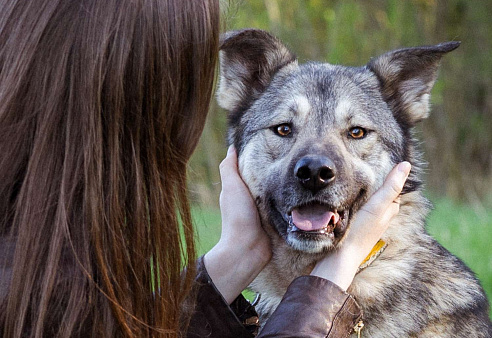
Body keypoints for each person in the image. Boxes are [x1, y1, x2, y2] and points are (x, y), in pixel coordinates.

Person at [0, 0, 410, 337]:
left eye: (356, 132)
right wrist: (340, 269)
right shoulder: (54, 280)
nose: (316, 164)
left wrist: (240, 253)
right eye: (283, 129)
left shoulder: (42, 251)